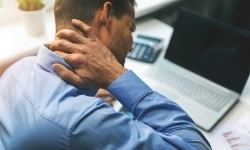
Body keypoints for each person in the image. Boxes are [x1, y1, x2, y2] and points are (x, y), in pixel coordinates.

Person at [0, 0, 211, 149]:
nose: (132, 43)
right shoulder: (81, 119)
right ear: (106, 15)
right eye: (131, 28)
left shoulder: (16, 70)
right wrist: (116, 76)